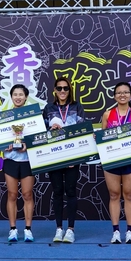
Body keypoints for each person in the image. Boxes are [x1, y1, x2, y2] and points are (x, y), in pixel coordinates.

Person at [42, 77, 86, 243]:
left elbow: (82, 130)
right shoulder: (48, 108)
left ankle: (71, 229)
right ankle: (59, 228)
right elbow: (41, 133)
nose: (62, 91)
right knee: (57, 191)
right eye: (59, 88)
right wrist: (50, 129)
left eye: (65, 88)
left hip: (72, 155)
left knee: (71, 190)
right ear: (54, 90)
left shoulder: (76, 107)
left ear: (70, 90)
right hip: (54, 155)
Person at [101, 82, 131, 244]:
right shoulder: (108, 115)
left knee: (129, 195)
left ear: (130, 95)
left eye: (126, 92)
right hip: (112, 160)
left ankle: (130, 232)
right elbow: (103, 137)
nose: (122, 95)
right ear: (114, 96)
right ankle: (116, 232)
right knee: (114, 195)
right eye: (119, 92)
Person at [3, 84, 35, 242]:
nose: (18, 97)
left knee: (27, 194)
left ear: (26, 97)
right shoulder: (4, 117)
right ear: (11, 97)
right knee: (12, 194)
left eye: (21, 94)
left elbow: (39, 137)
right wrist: (5, 144)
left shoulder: (33, 117)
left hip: (28, 160)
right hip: (10, 159)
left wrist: (28, 144)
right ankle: (13, 229)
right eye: (15, 94)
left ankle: (28, 229)